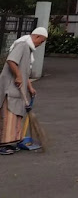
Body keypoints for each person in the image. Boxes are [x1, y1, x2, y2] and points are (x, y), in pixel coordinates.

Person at [0, 27, 48, 155]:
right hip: (10, 88)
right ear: (36, 37)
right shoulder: (22, 45)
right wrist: (18, 76)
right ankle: (4, 145)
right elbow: (11, 60)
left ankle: (12, 142)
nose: (40, 44)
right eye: (41, 41)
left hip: (18, 89)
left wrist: (29, 87)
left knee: (16, 116)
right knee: (9, 116)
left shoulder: (28, 49)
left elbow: (24, 71)